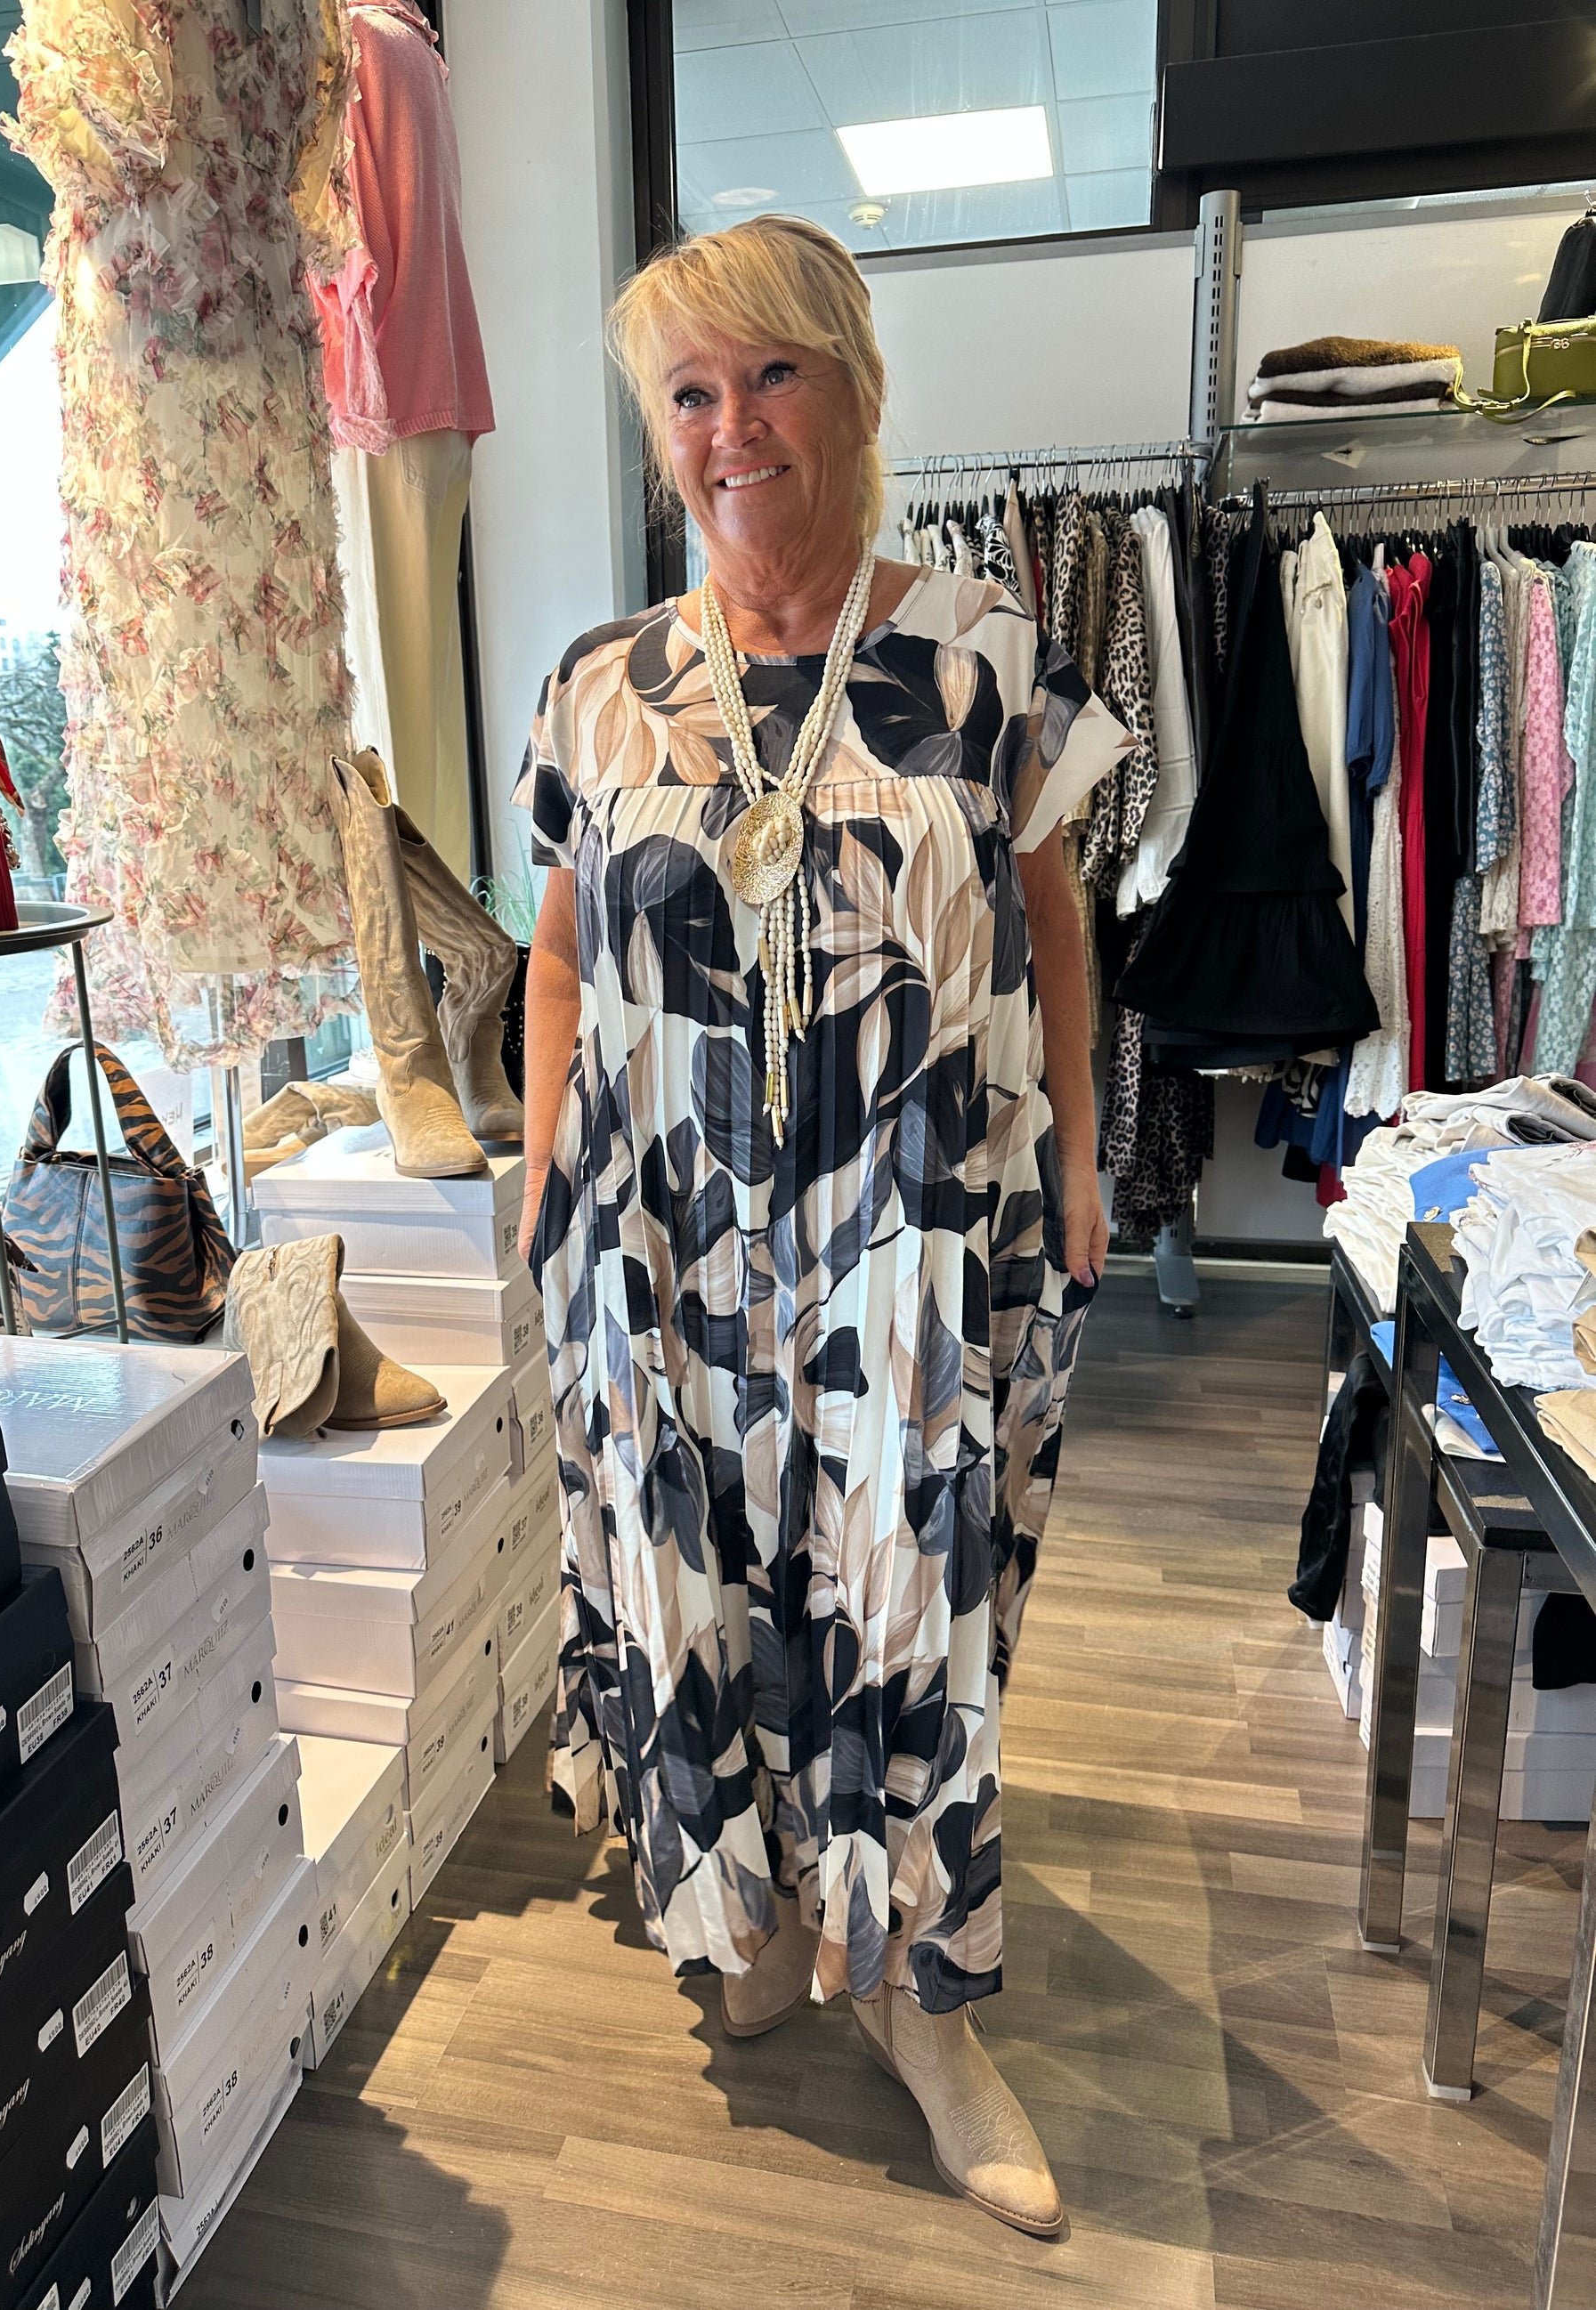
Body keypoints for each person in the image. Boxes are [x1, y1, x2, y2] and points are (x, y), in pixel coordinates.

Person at [514, 215, 1131, 2238]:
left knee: (909, 1615)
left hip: (915, 1232)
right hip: (664, 1245)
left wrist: (1081, 1156)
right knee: (702, 1593)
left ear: (855, 388)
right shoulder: (600, 687)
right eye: (690, 394)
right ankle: (764, 1915)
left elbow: (1051, 924)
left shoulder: (982, 654)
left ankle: (922, 2006)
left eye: (769, 374)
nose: (732, 427)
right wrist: (541, 1166)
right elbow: (554, 954)